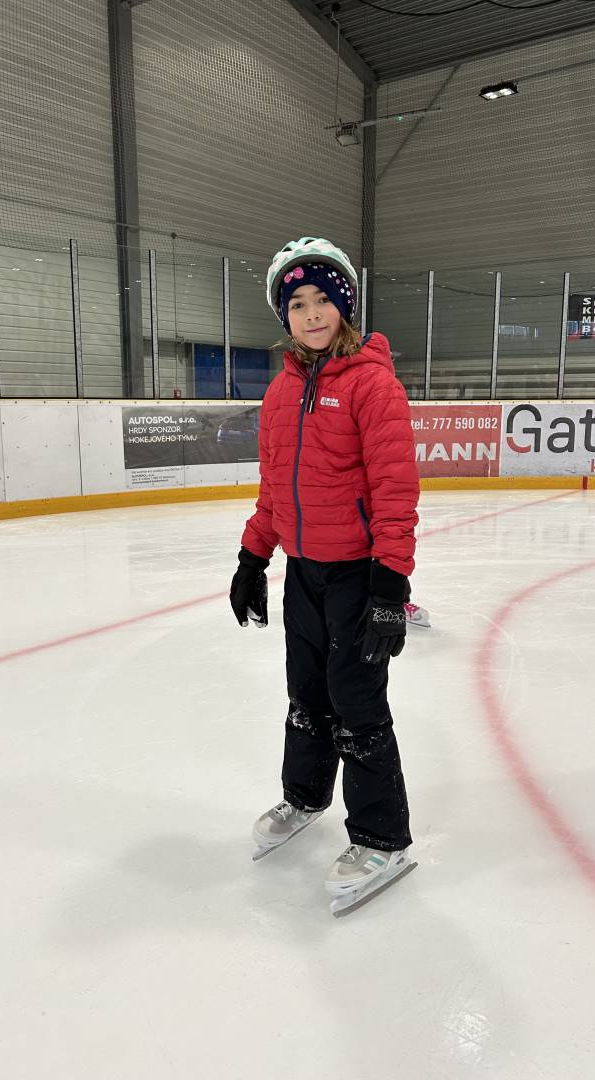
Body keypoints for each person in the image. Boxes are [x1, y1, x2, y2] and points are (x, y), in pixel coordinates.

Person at [229, 237, 420, 914]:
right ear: (285, 315)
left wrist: (391, 586)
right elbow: (273, 489)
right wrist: (254, 557)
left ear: (345, 306)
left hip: (357, 573)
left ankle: (381, 837)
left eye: (322, 300)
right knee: (306, 691)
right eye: (297, 304)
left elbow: (395, 490)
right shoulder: (281, 391)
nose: (311, 314)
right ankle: (305, 796)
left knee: (356, 699)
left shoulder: (373, 384)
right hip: (303, 572)